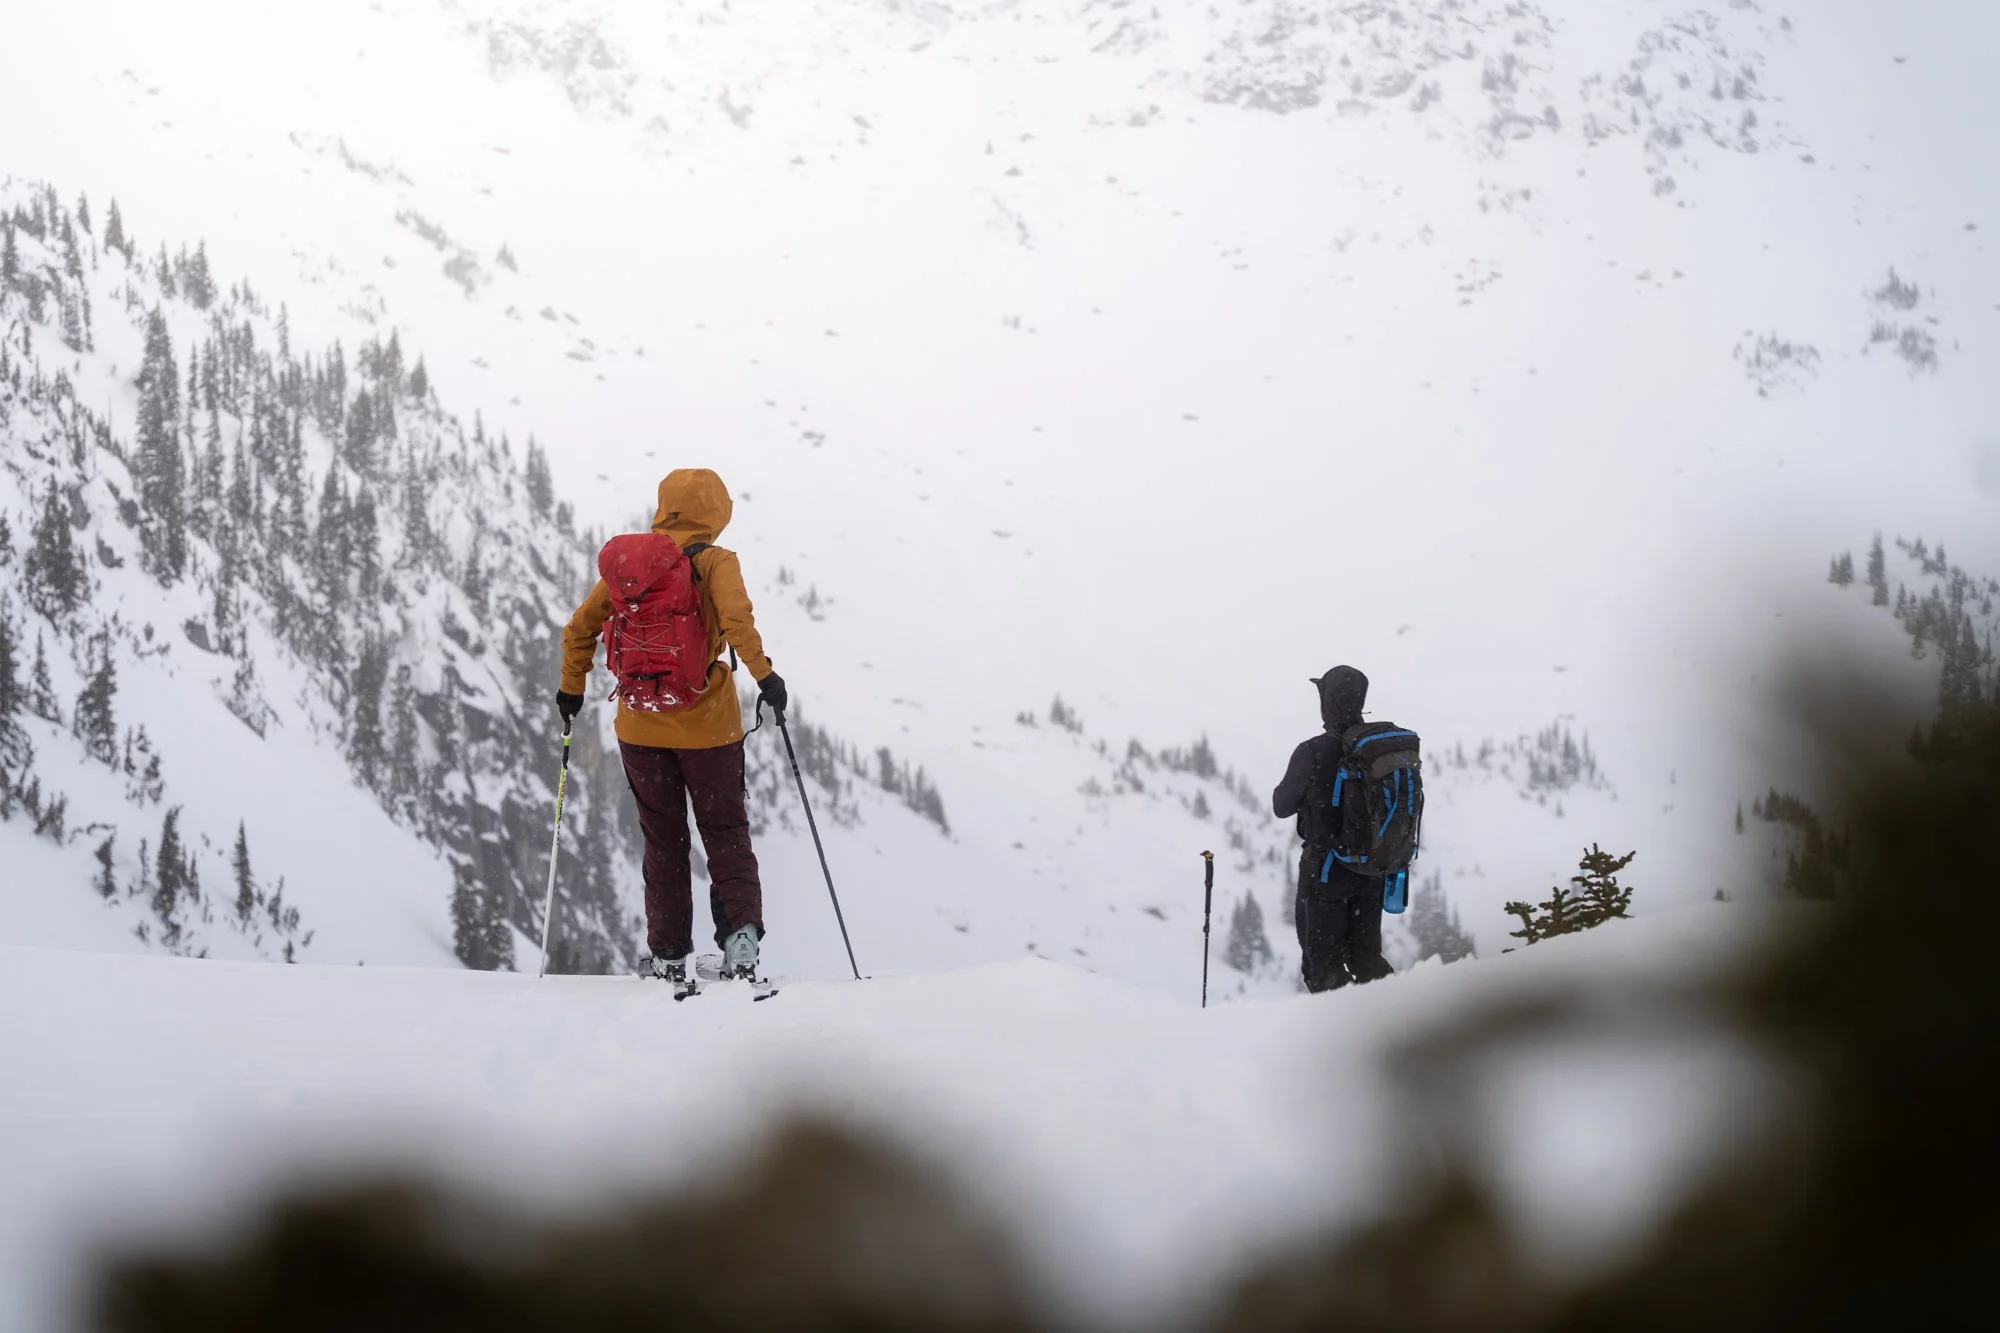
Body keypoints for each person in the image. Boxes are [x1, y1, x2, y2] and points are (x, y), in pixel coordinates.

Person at [556, 468, 786, 985]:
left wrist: (571, 689)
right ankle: (739, 945)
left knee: (663, 840)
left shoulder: (632, 566)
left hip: (641, 726)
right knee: (725, 832)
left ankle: (668, 956)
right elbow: (737, 623)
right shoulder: (717, 561)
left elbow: (580, 629)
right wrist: (766, 676)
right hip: (710, 729)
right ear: (715, 510)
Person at [1271, 665, 1395, 992]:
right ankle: (1393, 1019)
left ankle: (1346, 1036)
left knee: (1322, 967)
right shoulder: (1377, 747)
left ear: (1326, 701)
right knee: (1366, 958)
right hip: (1371, 869)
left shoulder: (1312, 751)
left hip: (1324, 871)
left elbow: (1281, 806)